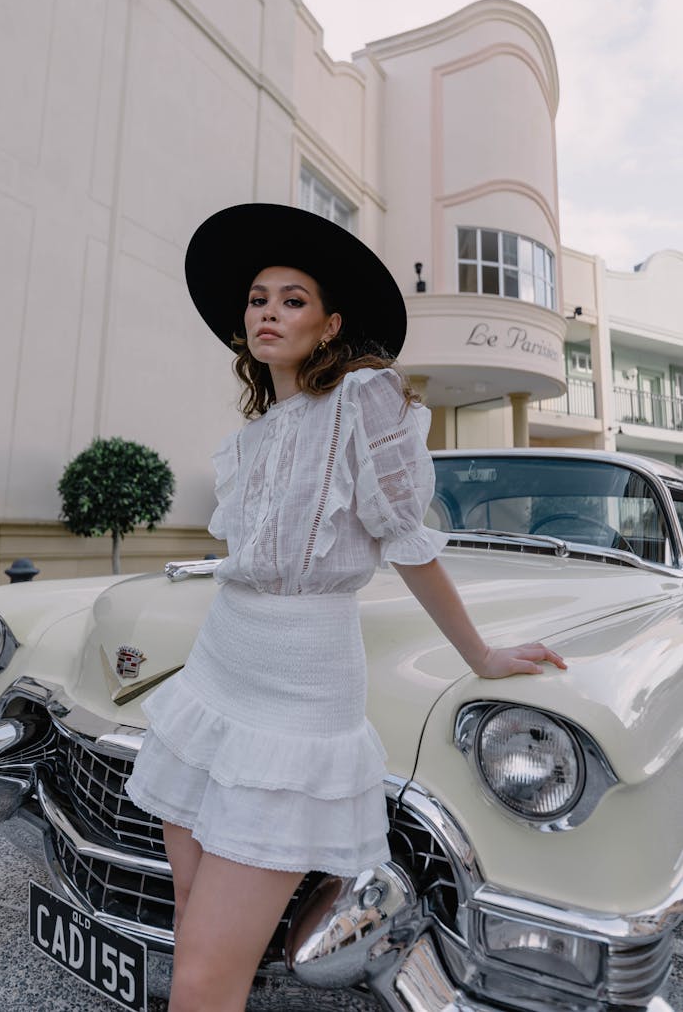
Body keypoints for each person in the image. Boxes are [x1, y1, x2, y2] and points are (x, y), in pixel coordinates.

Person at [125, 203, 566, 1012]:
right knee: (192, 932)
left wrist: (483, 657)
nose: (268, 311)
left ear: (331, 325)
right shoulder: (256, 433)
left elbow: (410, 540)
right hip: (218, 678)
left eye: (293, 299)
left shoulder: (366, 401)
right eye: (258, 298)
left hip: (299, 700)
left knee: (203, 977)